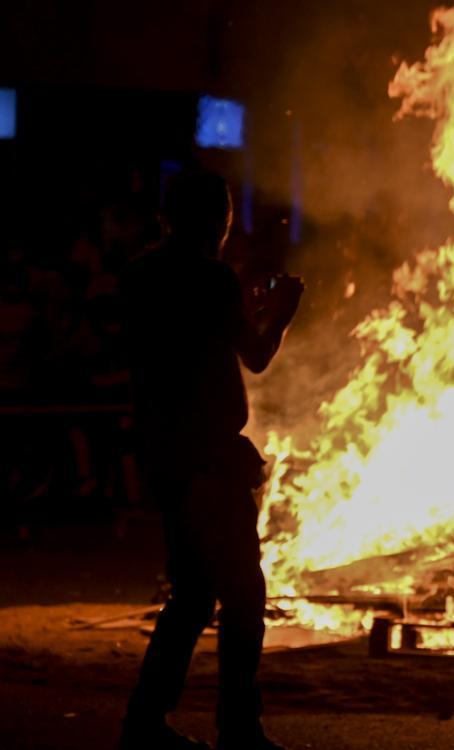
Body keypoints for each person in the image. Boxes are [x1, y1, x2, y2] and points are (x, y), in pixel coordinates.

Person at [118, 170, 303, 750]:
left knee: (194, 594)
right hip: (208, 460)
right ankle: (239, 730)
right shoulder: (211, 277)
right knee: (244, 597)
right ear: (216, 221)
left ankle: (145, 724)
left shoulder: (141, 275)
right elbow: (255, 355)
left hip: (167, 454)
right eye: (224, 217)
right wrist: (282, 310)